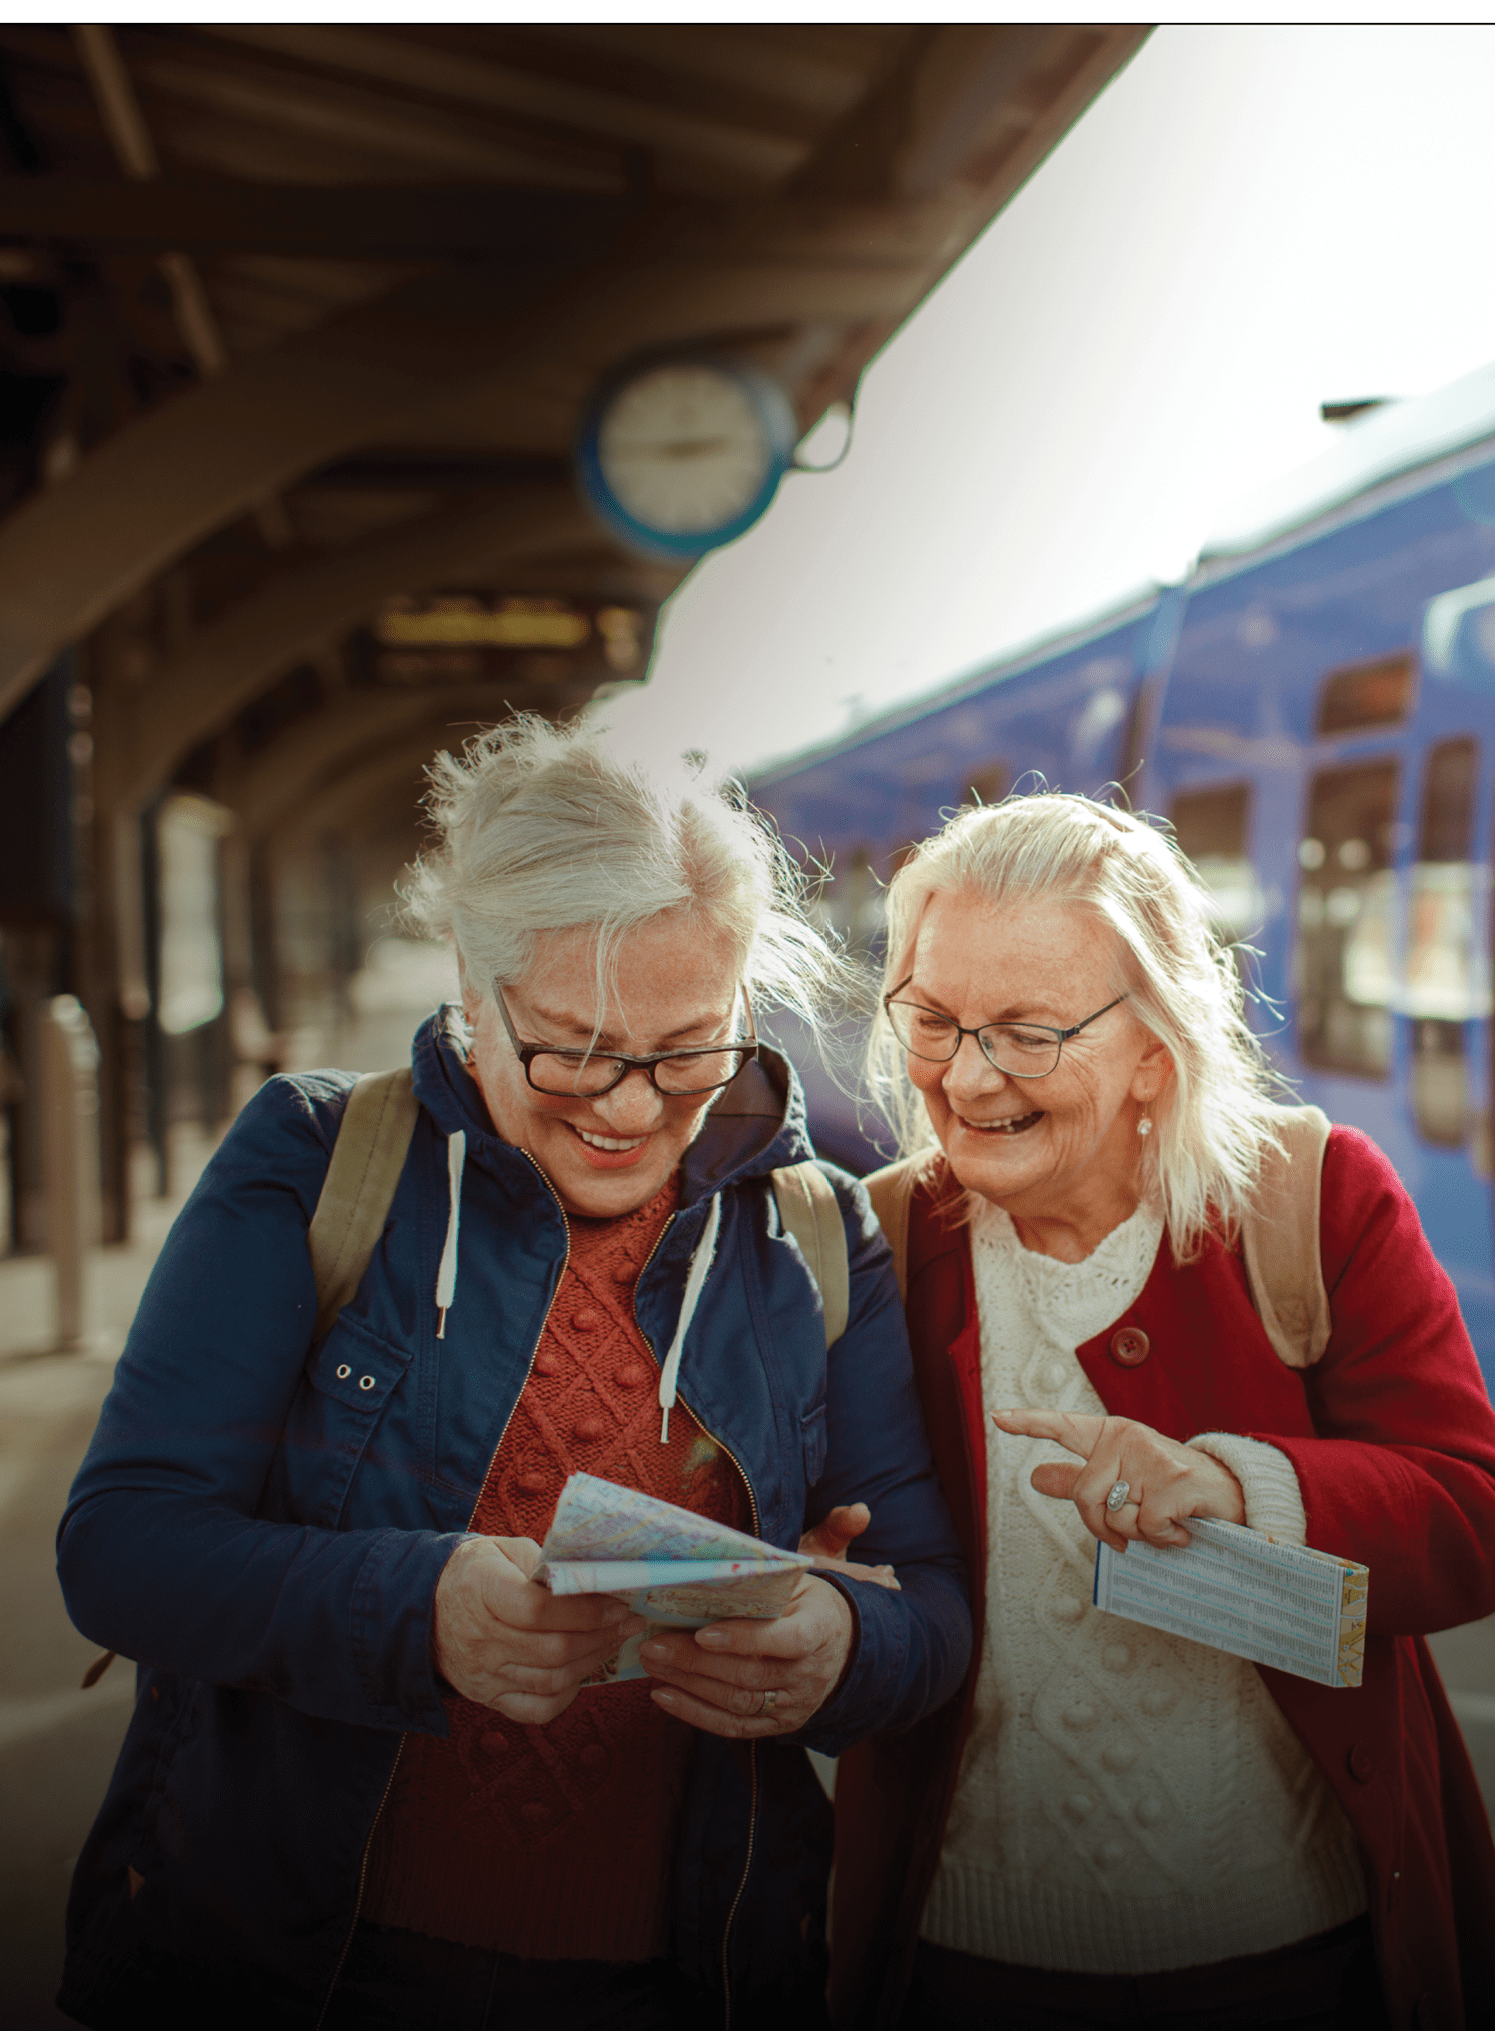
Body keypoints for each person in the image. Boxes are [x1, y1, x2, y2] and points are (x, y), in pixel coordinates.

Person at [55, 718, 971, 2031]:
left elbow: (931, 1604)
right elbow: (122, 1546)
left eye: (687, 1047)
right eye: (572, 1047)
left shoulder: (814, 1239)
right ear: (471, 995)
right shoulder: (317, 1165)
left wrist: (842, 1646)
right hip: (305, 1969)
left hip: (683, 1978)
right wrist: (417, 1606)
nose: (633, 1109)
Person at [826, 790, 1495, 2031]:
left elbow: (1478, 1524)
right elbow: (839, 1594)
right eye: (933, 1020)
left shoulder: (1309, 1201)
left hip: (1288, 1946)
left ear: (1155, 1044)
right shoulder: (875, 1242)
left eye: (1027, 1032)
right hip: (963, 1955)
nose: (966, 1074)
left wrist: (1239, 1486)